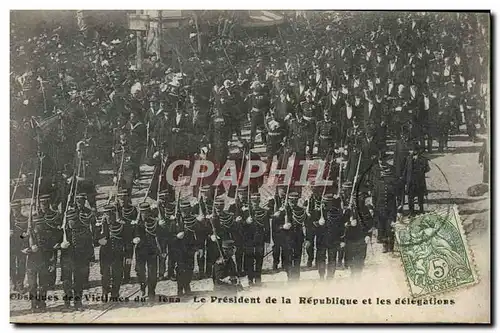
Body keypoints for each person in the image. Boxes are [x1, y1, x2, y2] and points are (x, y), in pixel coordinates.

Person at [60, 208, 94, 310]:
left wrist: (89, 258)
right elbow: (53, 242)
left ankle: (78, 303)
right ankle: (67, 303)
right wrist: (61, 245)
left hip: (79, 260)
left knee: (78, 282)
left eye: (73, 220)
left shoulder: (84, 229)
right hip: (66, 260)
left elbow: (89, 244)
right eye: (70, 220)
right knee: (66, 282)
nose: (71, 222)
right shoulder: (63, 231)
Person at [310, 193, 344, 279]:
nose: (326, 205)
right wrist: (318, 223)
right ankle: (321, 276)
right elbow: (310, 224)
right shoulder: (317, 212)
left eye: (328, 203)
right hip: (321, 240)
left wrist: (342, 239)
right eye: (325, 203)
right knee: (321, 259)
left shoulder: (337, 213)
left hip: (333, 239)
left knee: (332, 259)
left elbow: (341, 226)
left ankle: (330, 277)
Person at [241, 193, 270, 286]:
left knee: (259, 259)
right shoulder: (245, 212)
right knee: (249, 259)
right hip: (248, 239)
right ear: (250, 201)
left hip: (259, 239)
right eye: (253, 201)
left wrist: (267, 240)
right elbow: (240, 226)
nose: (255, 203)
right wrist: (246, 222)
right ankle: (250, 279)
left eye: (257, 201)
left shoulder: (264, 212)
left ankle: (258, 279)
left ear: (259, 201)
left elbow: (267, 227)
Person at [132, 202, 160, 300]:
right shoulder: (136, 223)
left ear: (149, 212)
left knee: (152, 272)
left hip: (152, 250)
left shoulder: (154, 222)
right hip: (140, 251)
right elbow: (130, 235)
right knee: (140, 271)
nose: (143, 214)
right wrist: (134, 239)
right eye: (142, 212)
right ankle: (143, 288)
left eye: (145, 212)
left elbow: (160, 234)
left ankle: (152, 291)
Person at [10, 199, 28, 293]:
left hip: (21, 246)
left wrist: (20, 236)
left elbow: (25, 234)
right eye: (13, 209)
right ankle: (14, 283)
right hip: (10, 247)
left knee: (21, 265)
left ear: (20, 208)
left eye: (17, 209)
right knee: (11, 266)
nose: (15, 211)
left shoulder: (25, 219)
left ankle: (20, 284)